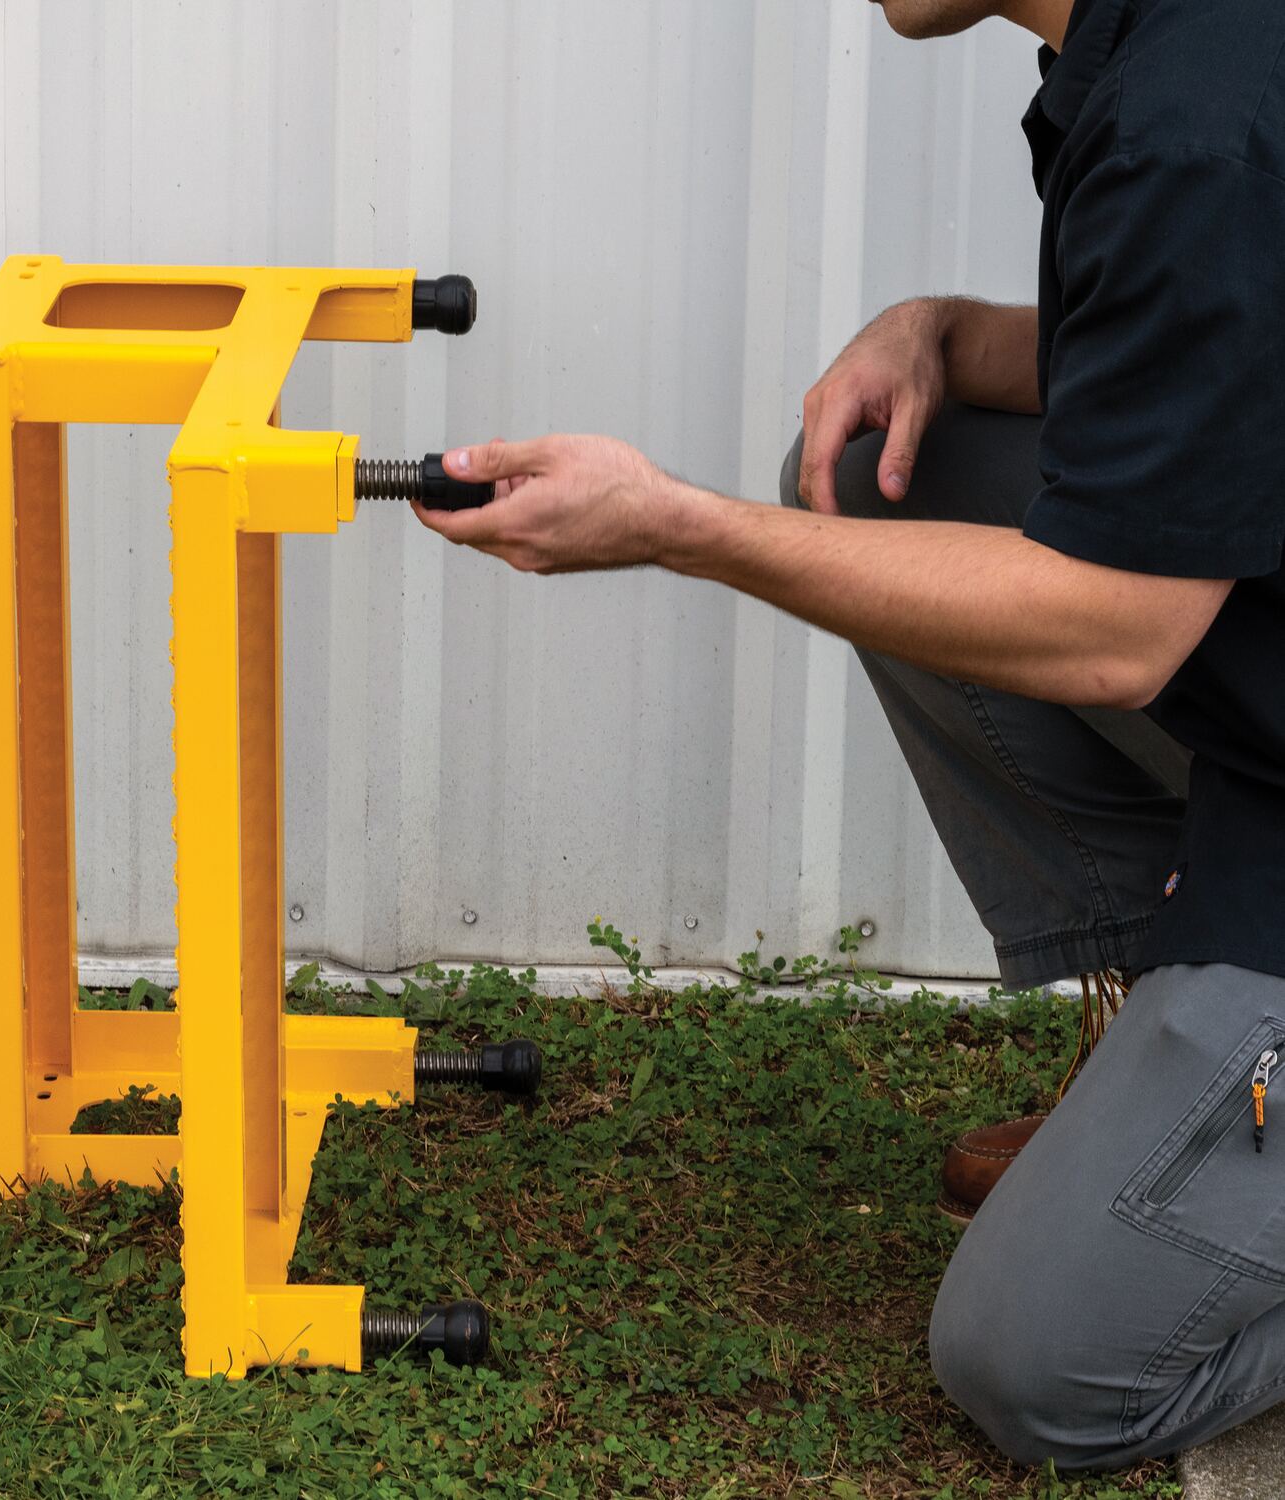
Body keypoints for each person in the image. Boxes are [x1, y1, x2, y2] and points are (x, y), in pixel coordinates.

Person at [411, 0, 1285, 1472]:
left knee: (1036, 1362)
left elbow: (1116, 630)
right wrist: (940, 331)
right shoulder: (1176, 46)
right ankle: (1169, 1080)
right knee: (894, 476)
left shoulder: (1197, 123)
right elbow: (1208, 353)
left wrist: (678, 528)